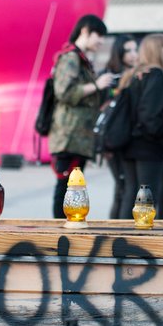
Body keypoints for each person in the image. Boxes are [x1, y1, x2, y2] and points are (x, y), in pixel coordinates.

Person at [48, 14, 115, 218]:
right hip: (69, 137)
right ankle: (60, 233)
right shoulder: (70, 57)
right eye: (99, 35)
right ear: (85, 31)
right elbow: (64, 91)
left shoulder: (81, 60)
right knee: (65, 187)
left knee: (72, 187)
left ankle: (67, 228)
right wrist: (97, 84)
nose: (101, 41)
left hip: (78, 137)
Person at [117, 34, 163, 219]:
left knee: (131, 195)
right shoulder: (156, 75)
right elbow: (151, 116)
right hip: (148, 147)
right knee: (147, 200)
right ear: (158, 50)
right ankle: (139, 242)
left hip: (129, 143)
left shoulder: (133, 75)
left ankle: (121, 241)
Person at [99, 34, 138, 218]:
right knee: (123, 186)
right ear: (119, 52)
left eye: (135, 50)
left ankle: (116, 228)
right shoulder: (109, 76)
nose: (133, 54)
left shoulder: (137, 74)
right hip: (113, 139)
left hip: (130, 139)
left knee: (125, 186)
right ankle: (116, 230)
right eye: (128, 50)